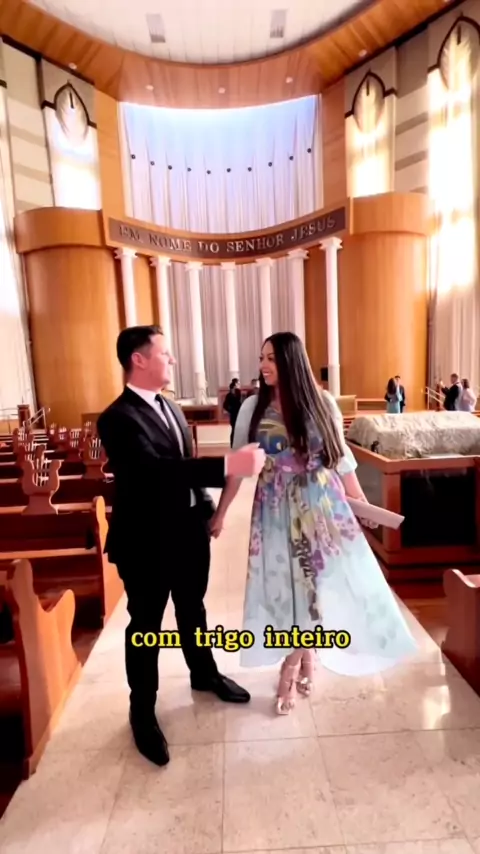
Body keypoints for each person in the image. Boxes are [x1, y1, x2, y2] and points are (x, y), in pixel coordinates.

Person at [210, 332, 417, 714]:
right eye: (262, 358)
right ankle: (305, 657)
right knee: (288, 587)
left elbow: (341, 459)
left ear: (291, 361)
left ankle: (290, 668)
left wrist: (361, 505)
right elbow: (238, 467)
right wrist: (221, 513)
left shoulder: (322, 403)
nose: (263, 365)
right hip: (273, 509)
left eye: (271, 358)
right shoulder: (253, 407)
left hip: (321, 506)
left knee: (317, 586)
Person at [97, 325, 265, 766]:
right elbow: (155, 473)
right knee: (146, 625)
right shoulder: (117, 418)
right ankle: (142, 711)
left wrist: (208, 509)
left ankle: (204, 675)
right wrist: (231, 463)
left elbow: (184, 466)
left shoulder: (170, 406)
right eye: (165, 353)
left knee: (193, 609)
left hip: (188, 532)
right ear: (138, 359)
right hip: (145, 541)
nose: (172, 359)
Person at [223, 378, 242, 447]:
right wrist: (231, 410)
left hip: (237, 414)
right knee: (234, 429)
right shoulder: (231, 395)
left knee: (237, 429)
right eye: (238, 384)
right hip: (235, 414)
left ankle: (236, 443)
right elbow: (225, 405)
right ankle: (234, 444)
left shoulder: (237, 393)